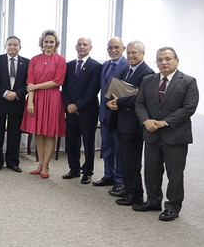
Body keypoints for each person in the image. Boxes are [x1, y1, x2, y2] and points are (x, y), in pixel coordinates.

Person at [134, 47, 199, 221]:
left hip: (175, 135)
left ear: (177, 60)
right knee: (151, 171)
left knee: (174, 174)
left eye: (168, 59)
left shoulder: (188, 82)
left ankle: (173, 207)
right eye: (159, 59)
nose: (163, 63)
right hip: (151, 134)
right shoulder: (148, 80)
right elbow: (139, 103)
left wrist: (165, 122)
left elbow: (189, 108)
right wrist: (145, 120)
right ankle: (153, 201)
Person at [105, 41, 154, 206]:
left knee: (132, 161)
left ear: (142, 54)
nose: (131, 56)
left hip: (134, 123)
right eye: (129, 53)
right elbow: (117, 90)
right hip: (121, 120)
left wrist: (119, 102)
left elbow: (141, 98)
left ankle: (135, 195)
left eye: (135, 53)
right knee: (124, 158)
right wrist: (111, 102)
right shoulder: (126, 69)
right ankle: (127, 188)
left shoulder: (147, 73)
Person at [21, 30, 66, 179]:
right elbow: (30, 82)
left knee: (49, 133)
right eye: (46, 41)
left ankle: (46, 165)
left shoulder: (60, 60)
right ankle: (40, 163)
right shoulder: (34, 60)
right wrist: (30, 102)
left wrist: (35, 86)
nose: (49, 44)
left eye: (52, 42)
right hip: (36, 98)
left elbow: (57, 81)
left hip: (53, 98)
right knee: (38, 132)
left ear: (56, 44)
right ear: (42, 42)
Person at [61, 37, 102, 184]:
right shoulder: (69, 65)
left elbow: (93, 90)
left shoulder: (96, 66)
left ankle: (88, 172)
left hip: (88, 111)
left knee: (88, 142)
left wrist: (77, 105)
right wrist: (68, 105)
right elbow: (65, 88)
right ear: (75, 47)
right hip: (70, 111)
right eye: (79, 44)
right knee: (72, 141)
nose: (82, 47)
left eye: (85, 44)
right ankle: (74, 169)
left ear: (90, 47)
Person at [0, 36, 30, 173]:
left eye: (15, 45)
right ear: (5, 46)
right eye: (9, 44)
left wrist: (17, 94)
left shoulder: (27, 62)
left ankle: (13, 162)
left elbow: (29, 83)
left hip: (17, 102)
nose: (12, 47)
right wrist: (4, 93)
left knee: (15, 133)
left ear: (20, 47)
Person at [97, 37, 128, 190]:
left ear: (123, 48)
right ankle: (108, 174)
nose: (113, 50)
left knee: (119, 149)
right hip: (104, 113)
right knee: (107, 147)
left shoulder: (127, 66)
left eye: (116, 47)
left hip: (119, 114)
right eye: (110, 48)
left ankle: (119, 178)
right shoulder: (105, 65)